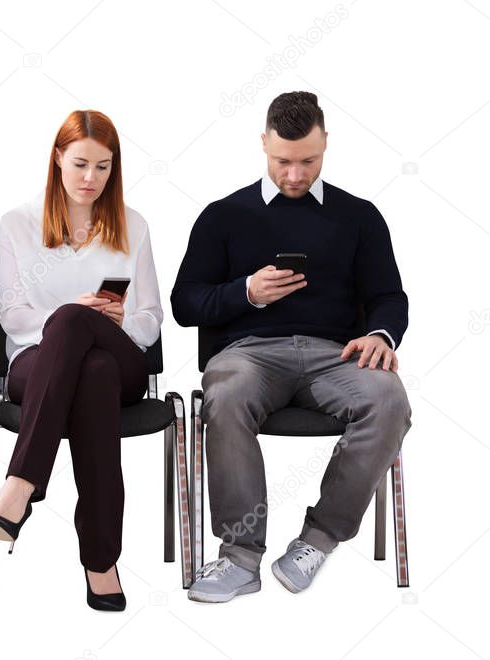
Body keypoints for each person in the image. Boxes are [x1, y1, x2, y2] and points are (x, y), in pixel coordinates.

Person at [171, 91, 411, 603]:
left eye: (309, 161)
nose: (296, 175)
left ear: (325, 145)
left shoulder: (359, 217)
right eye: (283, 161)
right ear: (263, 144)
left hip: (336, 357)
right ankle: (238, 557)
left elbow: (389, 296)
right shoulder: (223, 216)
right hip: (249, 355)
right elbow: (185, 303)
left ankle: (317, 540)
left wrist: (379, 335)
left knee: (390, 399)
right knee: (228, 394)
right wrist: (245, 293)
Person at [0, 110, 164, 612]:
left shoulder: (134, 224)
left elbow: (151, 321)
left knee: (89, 340)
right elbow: (13, 317)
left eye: (103, 167)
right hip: (37, 364)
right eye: (81, 163)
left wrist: (114, 321)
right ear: (57, 157)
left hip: (123, 356)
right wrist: (70, 320)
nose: (90, 179)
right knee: (88, 361)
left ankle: (19, 487)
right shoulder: (17, 222)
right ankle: (102, 562)